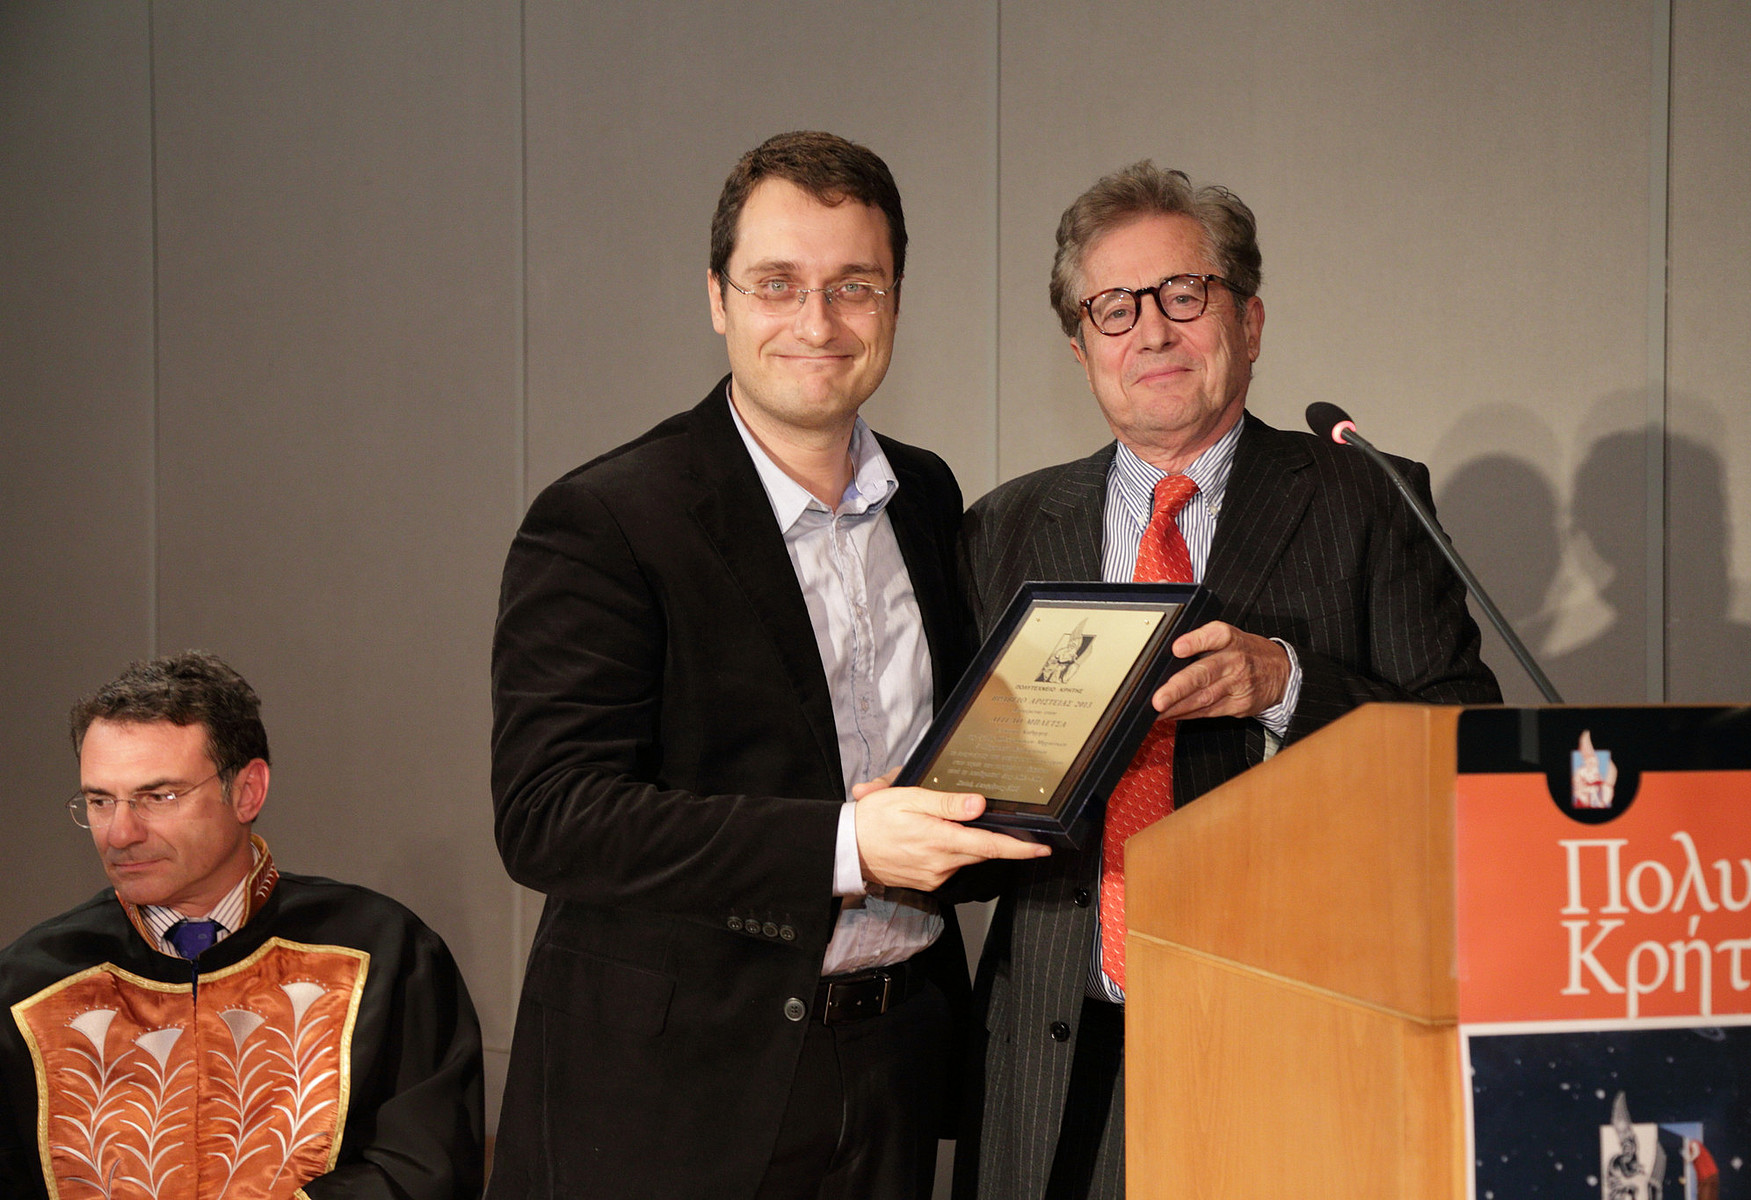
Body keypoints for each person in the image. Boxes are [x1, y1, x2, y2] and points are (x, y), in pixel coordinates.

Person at [486, 130, 1046, 1200]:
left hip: (892, 1069)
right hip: (670, 1098)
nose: (818, 323)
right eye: (778, 283)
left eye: (854, 286)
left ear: (894, 302)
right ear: (718, 298)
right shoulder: (606, 518)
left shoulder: (928, 496)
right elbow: (551, 815)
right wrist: (848, 846)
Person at [953, 162, 1502, 1200]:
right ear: (1080, 348)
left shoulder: (1365, 498)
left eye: (1183, 294)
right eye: (1114, 309)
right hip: (1056, 1051)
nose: (1151, 332)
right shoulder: (1004, 528)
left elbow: (1460, 743)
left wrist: (1289, 683)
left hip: (1291, 1033)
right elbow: (969, 801)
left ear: (1248, 322)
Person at [0, 651, 485, 1200]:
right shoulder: (29, 985)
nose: (119, 833)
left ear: (248, 791)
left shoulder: (385, 955)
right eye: (100, 800)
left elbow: (425, 1173)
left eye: (158, 796)